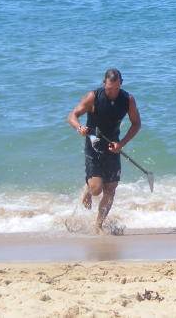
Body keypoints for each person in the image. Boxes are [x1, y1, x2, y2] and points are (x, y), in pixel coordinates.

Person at [67, 68, 142, 233]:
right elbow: (72, 115)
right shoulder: (93, 97)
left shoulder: (128, 100)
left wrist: (121, 144)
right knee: (97, 189)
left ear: (121, 84)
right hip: (93, 145)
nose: (113, 92)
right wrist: (79, 127)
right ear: (104, 84)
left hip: (113, 147)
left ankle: (98, 225)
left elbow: (136, 124)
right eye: (109, 88)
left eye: (116, 88)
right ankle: (88, 189)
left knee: (111, 189)